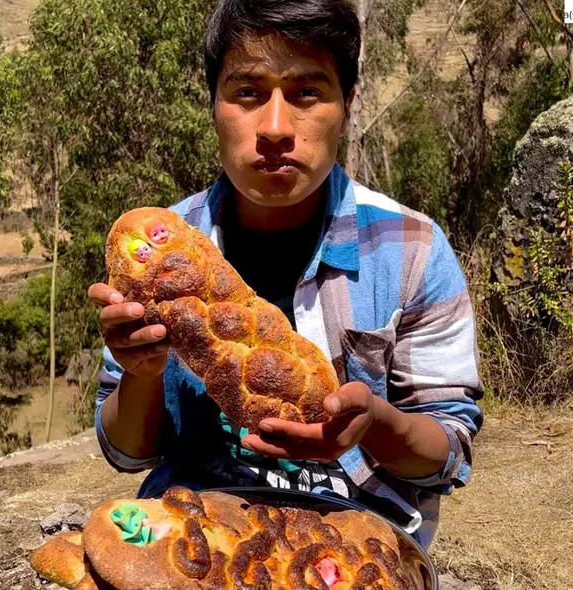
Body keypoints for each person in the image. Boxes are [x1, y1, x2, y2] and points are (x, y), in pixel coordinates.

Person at [88, 0, 483, 551]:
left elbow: (448, 453)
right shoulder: (159, 255)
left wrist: (375, 425)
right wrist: (142, 373)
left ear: (346, 106)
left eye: (307, 92)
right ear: (214, 106)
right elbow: (127, 453)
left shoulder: (411, 251)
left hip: (353, 544)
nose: (275, 127)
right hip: (191, 539)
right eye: (247, 92)